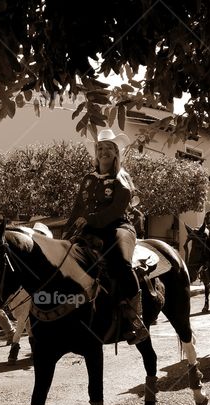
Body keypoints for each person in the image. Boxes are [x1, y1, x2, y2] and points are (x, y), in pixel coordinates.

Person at [65, 128, 149, 345]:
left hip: (117, 227)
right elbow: (77, 208)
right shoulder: (88, 179)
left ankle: (134, 317)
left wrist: (90, 220)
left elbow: (116, 210)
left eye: (108, 148)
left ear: (115, 152)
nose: (103, 151)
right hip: (89, 229)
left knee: (120, 262)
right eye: (100, 148)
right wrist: (66, 233)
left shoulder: (122, 178)